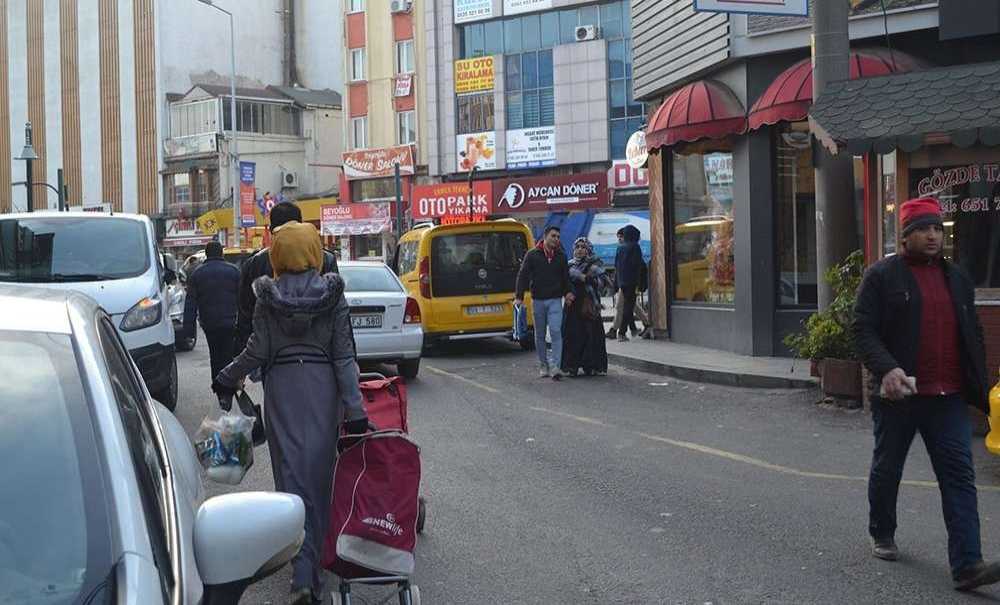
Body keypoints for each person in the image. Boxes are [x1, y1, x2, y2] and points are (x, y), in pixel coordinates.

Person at [212, 221, 368, 605]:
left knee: (291, 479)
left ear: (277, 256)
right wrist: (355, 409)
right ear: (315, 253)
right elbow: (344, 356)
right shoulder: (333, 297)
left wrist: (227, 376)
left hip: (282, 391)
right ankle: (311, 570)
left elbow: (256, 350)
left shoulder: (267, 297)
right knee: (319, 479)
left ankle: (302, 571)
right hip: (323, 392)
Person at [854, 197, 1000, 591]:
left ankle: (968, 565)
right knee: (888, 468)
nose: (932, 236)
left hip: (947, 396)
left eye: (937, 228)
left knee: (959, 477)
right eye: (922, 229)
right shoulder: (882, 276)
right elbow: (862, 329)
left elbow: (973, 330)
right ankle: (882, 530)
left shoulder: (958, 278)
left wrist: (977, 379)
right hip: (900, 395)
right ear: (905, 236)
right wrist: (887, 369)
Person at [234, 201, 339, 354]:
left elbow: (246, 315)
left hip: (273, 353)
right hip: (319, 351)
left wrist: (243, 355)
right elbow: (338, 316)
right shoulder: (325, 259)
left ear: (272, 230)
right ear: (301, 224)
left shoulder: (255, 263)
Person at [515, 226, 573, 381]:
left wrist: (568, 292)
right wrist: (519, 296)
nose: (556, 239)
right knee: (540, 334)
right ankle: (543, 364)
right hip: (538, 300)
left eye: (558, 237)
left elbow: (565, 277)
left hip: (555, 300)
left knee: (555, 331)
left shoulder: (561, 256)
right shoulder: (532, 255)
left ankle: (555, 366)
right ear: (545, 237)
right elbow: (523, 275)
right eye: (553, 236)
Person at [182, 240, 240, 381]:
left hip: (209, 323)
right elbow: (243, 299)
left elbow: (190, 303)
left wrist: (188, 330)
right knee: (228, 355)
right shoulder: (234, 271)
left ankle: (218, 385)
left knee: (215, 355)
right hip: (230, 322)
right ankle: (228, 385)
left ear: (206, 254)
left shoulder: (197, 274)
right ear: (221, 253)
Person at [561, 237, 611, 377]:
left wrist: (590, 280)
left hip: (589, 305)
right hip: (572, 305)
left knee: (592, 336)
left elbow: (605, 283)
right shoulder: (569, 265)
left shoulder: (595, 265)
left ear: (588, 250)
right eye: (577, 247)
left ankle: (592, 366)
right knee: (572, 335)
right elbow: (563, 282)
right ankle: (572, 366)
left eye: (583, 247)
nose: (580, 250)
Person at [609, 225, 649, 341]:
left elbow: (617, 267)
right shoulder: (635, 247)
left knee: (624, 307)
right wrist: (640, 283)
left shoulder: (620, 248)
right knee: (628, 307)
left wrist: (617, 284)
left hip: (622, 283)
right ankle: (622, 332)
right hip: (632, 282)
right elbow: (637, 266)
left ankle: (629, 329)